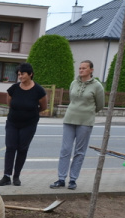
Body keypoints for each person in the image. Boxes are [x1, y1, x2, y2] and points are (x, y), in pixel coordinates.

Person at [50, 60, 105, 190]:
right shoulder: (73, 83)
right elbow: (72, 99)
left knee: (79, 152)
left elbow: (100, 105)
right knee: (65, 150)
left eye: (84, 68)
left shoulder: (97, 86)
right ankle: (61, 178)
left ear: (91, 70)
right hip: (69, 119)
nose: (81, 70)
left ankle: (73, 180)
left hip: (85, 122)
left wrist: (88, 112)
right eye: (80, 68)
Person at [0, 62, 47, 187]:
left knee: (22, 149)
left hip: (29, 124)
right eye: (19, 74)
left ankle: (16, 176)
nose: (20, 77)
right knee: (10, 148)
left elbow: (43, 107)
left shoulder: (39, 90)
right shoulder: (13, 89)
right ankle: (6, 176)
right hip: (13, 123)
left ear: (30, 74)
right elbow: (10, 103)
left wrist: (30, 113)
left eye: (23, 74)